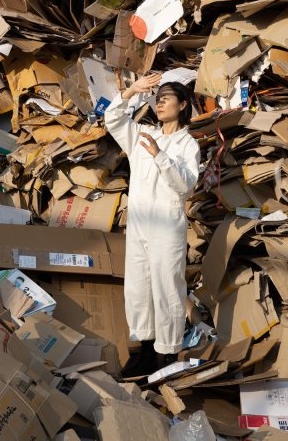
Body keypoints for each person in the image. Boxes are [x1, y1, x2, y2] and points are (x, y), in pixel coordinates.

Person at [104, 73, 201, 376]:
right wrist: (132, 90)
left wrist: (160, 156)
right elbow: (113, 119)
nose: (159, 103)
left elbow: (184, 186)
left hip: (166, 228)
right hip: (139, 226)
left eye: (167, 98)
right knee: (137, 287)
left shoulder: (188, 145)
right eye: (157, 99)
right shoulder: (145, 135)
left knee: (167, 289)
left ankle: (167, 355)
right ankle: (143, 349)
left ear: (183, 105)